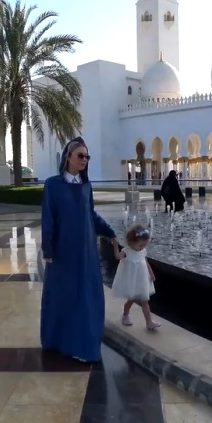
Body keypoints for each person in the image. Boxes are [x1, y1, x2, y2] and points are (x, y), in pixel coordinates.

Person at [41, 137, 119, 363]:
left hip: (86, 253)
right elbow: (48, 218)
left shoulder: (86, 186)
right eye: (80, 156)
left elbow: (91, 214)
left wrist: (109, 231)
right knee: (63, 295)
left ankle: (84, 346)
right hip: (62, 252)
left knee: (85, 297)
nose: (84, 160)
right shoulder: (52, 185)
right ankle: (56, 340)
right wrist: (48, 249)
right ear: (68, 157)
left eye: (87, 156)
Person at [112, 225, 160, 331]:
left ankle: (149, 322)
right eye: (141, 245)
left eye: (144, 245)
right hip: (132, 281)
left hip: (142, 280)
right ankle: (125, 314)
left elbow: (145, 262)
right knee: (131, 300)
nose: (142, 247)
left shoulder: (143, 251)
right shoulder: (127, 251)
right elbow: (118, 256)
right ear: (131, 242)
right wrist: (115, 246)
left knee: (145, 300)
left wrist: (151, 273)